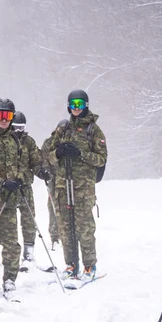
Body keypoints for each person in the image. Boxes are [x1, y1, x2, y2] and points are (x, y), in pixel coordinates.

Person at [45, 89, 108, 281]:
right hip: (63, 187)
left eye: (80, 104)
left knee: (84, 227)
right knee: (66, 227)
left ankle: (90, 266)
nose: (76, 109)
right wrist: (58, 153)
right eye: (73, 105)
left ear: (86, 106)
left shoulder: (93, 130)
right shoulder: (62, 128)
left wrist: (80, 154)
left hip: (83, 188)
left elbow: (101, 158)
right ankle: (71, 264)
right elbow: (48, 155)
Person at [0, 99, 38, 295]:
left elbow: (22, 165)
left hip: (9, 201)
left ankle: (10, 279)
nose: (4, 120)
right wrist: (1, 182)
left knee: (11, 244)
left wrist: (20, 179)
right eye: (0, 115)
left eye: (8, 116)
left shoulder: (15, 139)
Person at [10, 110, 46, 267]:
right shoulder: (4, 141)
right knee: (8, 222)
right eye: (15, 127)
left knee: (29, 218)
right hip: (9, 188)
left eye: (21, 127)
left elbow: (36, 162)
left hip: (25, 186)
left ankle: (29, 252)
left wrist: (41, 172)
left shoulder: (28, 142)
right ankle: (10, 254)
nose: (18, 131)